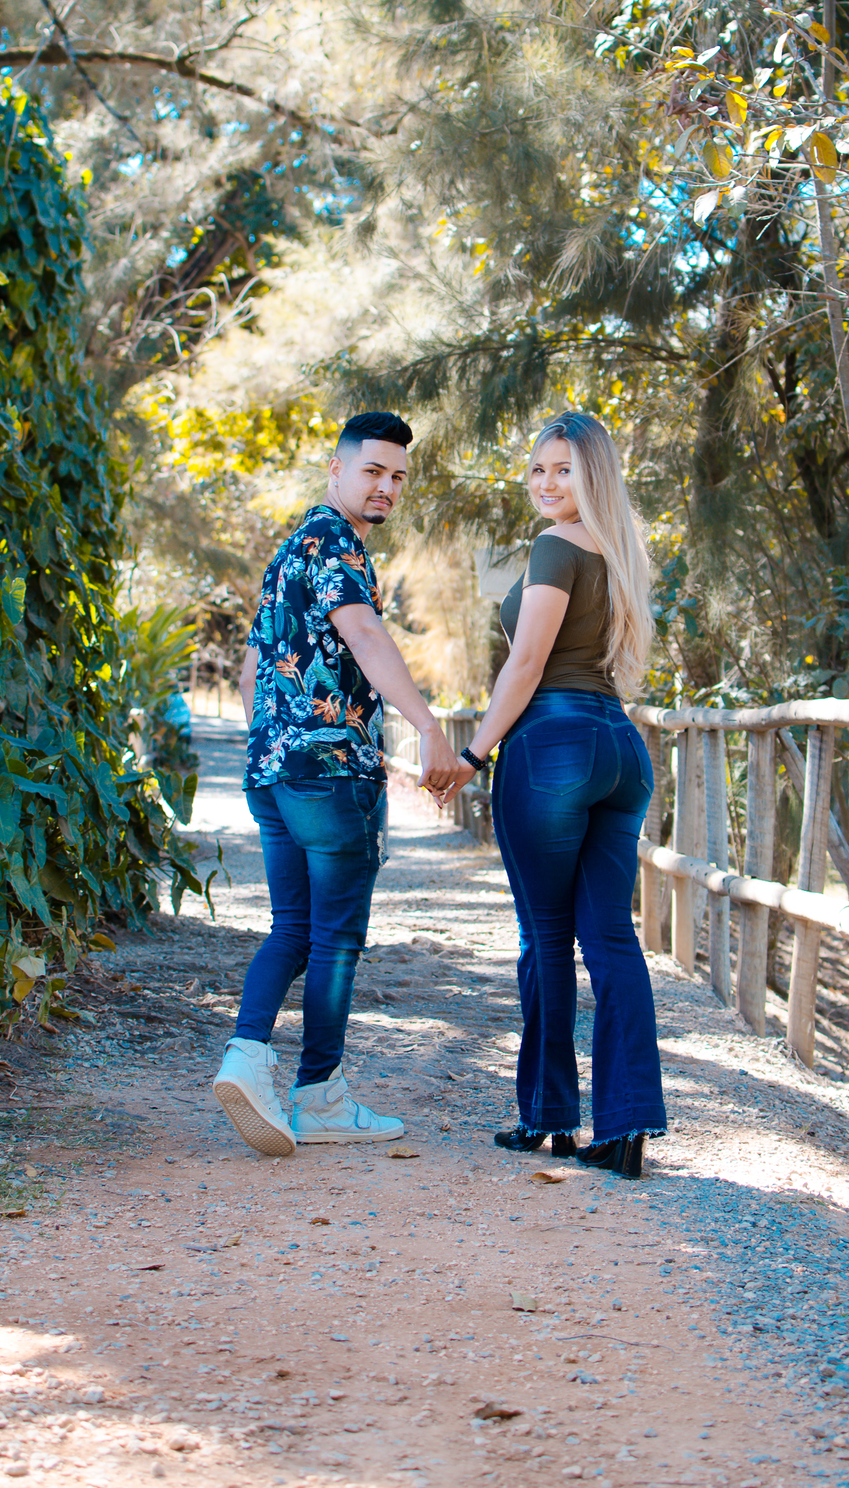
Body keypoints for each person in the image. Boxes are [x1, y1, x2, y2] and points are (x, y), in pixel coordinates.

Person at [214, 411, 460, 1157]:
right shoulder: (339, 545)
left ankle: (246, 1055)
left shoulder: (289, 551)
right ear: (337, 469)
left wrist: (276, 748)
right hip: (331, 776)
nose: (386, 487)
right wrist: (428, 726)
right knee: (337, 940)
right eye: (373, 471)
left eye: (397, 477)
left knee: (292, 928)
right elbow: (365, 634)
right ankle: (319, 1096)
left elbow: (252, 673)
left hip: (274, 773)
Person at [443, 411, 665, 1178]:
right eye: (537, 469)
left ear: (592, 476)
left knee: (545, 937)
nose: (545, 482)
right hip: (619, 748)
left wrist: (474, 752)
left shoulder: (553, 547)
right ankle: (626, 1128)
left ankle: (549, 1115)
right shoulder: (620, 551)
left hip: (553, 746)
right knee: (609, 937)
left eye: (563, 469)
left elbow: (528, 661)